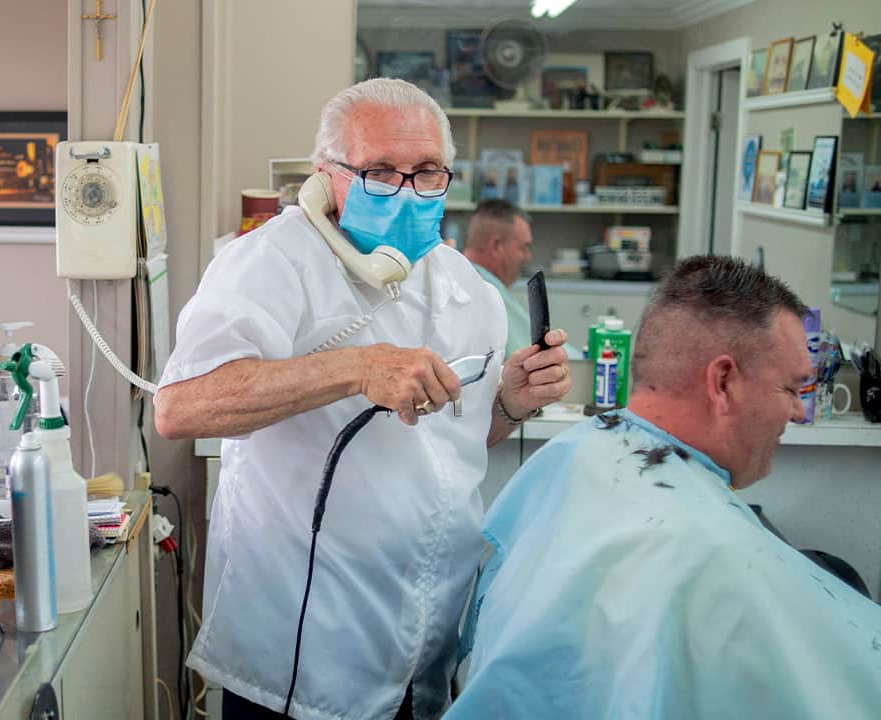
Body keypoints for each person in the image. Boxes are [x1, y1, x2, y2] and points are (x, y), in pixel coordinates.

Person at [154, 78, 572, 720]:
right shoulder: (270, 262)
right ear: (325, 177)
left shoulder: (470, 288)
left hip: (425, 643)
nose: (407, 192)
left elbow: (447, 443)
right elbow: (181, 407)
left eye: (427, 172)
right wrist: (351, 368)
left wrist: (509, 403)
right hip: (303, 647)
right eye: (380, 172)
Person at [448, 256, 881, 718]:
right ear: (723, 382)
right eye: (792, 389)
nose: (798, 412)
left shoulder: (575, 452)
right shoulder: (700, 555)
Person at [460, 199, 580, 359]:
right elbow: (534, 353)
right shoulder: (484, 289)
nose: (527, 257)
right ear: (496, 246)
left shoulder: (462, 276)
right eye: (523, 247)